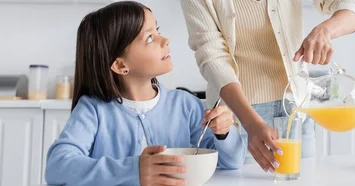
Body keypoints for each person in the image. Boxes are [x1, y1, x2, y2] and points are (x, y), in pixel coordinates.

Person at [44, 1, 246, 185]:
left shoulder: (185, 105)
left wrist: (224, 133)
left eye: (157, 30)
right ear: (120, 64)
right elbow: (57, 168)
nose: (165, 40)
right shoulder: (93, 110)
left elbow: (232, 162)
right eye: (150, 37)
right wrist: (133, 170)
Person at [181, 0, 355, 172]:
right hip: (239, 121)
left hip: (297, 114)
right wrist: (251, 123)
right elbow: (212, 57)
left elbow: (353, 8)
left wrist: (324, 30)